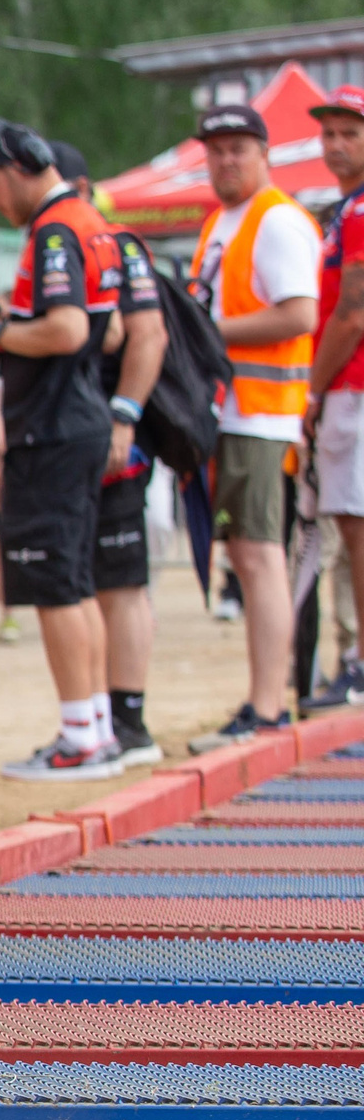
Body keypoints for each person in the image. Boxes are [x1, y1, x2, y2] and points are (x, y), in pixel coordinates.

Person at [0, 120, 122, 779]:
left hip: (54, 427)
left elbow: (69, 329)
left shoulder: (56, 230)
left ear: (23, 166)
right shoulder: (86, 220)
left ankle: (80, 734)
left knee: (56, 586)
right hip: (75, 421)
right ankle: (96, 726)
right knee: (75, 584)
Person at [180, 103, 320, 752]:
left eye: (238, 147)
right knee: (247, 556)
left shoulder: (278, 220)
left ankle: (267, 707)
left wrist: (199, 332)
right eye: (216, 149)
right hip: (231, 411)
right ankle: (262, 701)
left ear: (263, 153)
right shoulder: (221, 221)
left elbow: (298, 316)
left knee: (260, 557)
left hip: (262, 414)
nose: (225, 159)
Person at [55, 141, 172, 767]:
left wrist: (124, 416)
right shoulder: (76, 240)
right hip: (83, 429)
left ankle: (127, 720)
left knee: (121, 579)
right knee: (95, 578)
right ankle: (105, 715)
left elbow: (145, 332)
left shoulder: (114, 243)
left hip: (112, 431)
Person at [305, 85, 364, 706]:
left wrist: (314, 390)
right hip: (348, 385)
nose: (337, 144)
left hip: (352, 386)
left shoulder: (359, 211)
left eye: (350, 132)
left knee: (355, 525)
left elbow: (352, 313)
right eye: (330, 133)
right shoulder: (344, 209)